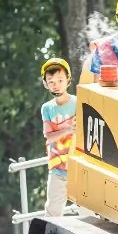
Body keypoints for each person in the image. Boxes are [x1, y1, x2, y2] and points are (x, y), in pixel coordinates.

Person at [38, 58, 76, 217]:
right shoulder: (47, 108)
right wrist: (68, 129)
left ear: (68, 80)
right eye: (51, 81)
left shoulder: (78, 102)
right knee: (53, 211)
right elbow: (49, 136)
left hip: (79, 167)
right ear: (45, 84)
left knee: (88, 211)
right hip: (58, 169)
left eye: (60, 80)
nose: (56, 84)